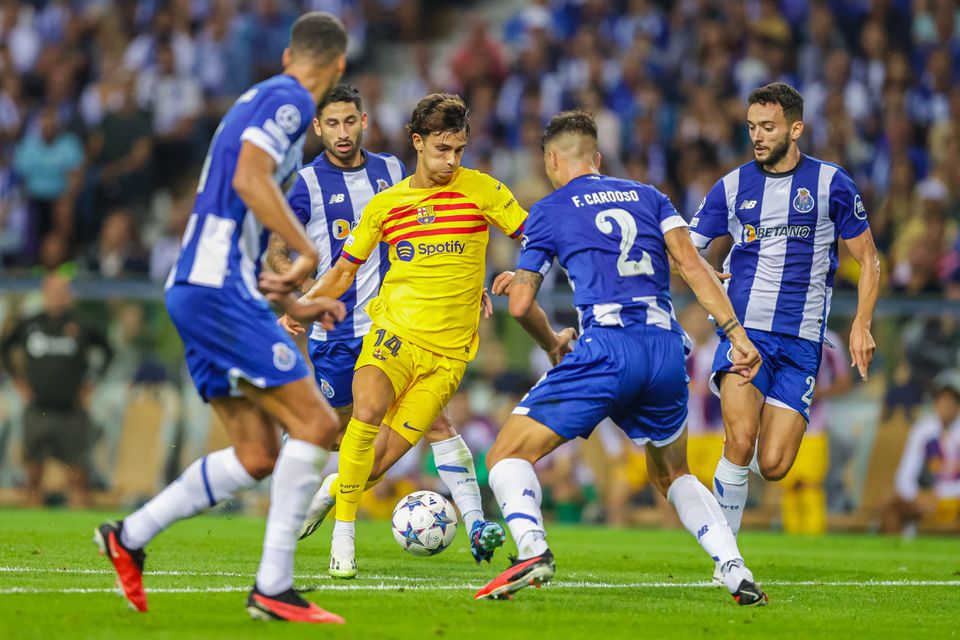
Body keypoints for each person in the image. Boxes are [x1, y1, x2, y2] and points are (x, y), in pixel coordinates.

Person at [93, 12, 351, 624]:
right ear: (336, 66)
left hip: (202, 285)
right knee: (317, 423)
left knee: (258, 453)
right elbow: (248, 177)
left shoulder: (261, 101)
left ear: (290, 53)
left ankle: (129, 536)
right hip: (212, 288)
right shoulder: (288, 98)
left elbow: (254, 234)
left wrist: (298, 302)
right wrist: (311, 251)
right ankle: (274, 586)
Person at [476, 110, 767, 606]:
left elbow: (522, 305)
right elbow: (695, 267)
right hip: (664, 348)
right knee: (673, 473)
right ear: (598, 157)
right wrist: (735, 334)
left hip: (607, 348)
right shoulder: (650, 196)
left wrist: (548, 338)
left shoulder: (549, 209)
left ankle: (532, 550)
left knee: (506, 455)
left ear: (551, 159)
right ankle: (735, 568)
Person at [278, 93, 526, 579]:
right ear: (418, 142)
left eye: (459, 150)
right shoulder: (385, 204)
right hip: (389, 333)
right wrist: (303, 310)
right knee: (364, 413)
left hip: (448, 357)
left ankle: (333, 492)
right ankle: (344, 542)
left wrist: (523, 274)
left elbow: (537, 234)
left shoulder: (484, 191)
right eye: (441, 149)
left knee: (374, 464)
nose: (451, 161)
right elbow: (343, 272)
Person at [688, 83, 880, 562]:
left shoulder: (831, 183)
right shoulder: (731, 187)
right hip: (744, 334)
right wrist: (698, 264)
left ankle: (730, 496)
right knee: (740, 438)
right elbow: (686, 246)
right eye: (752, 127)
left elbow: (870, 258)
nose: (757, 136)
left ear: (795, 129)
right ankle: (726, 561)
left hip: (800, 343)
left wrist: (862, 323)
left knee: (772, 464)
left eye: (768, 127)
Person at [1, 273, 111, 509]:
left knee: (79, 474)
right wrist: (18, 382)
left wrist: (91, 384)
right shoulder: (29, 324)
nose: (57, 297)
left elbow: (109, 351)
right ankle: (31, 526)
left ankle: (81, 526)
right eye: (53, 292)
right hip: (38, 409)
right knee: (33, 472)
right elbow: (5, 348)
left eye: (62, 292)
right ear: (44, 294)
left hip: (71, 411)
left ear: (69, 295)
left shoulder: (81, 324)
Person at [780, 328, 851, 534]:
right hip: (785, 423)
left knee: (810, 485)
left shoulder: (830, 340)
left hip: (816, 426)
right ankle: (791, 542)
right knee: (789, 485)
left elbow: (844, 382)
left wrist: (815, 394)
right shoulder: (787, 332)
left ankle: (813, 537)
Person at [883, 370, 960, 535]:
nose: (946, 405)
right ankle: (897, 551)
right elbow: (905, 475)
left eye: (951, 400)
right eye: (942, 399)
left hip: (955, 499)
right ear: (935, 402)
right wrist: (917, 497)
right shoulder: (923, 431)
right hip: (927, 497)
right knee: (889, 500)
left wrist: (945, 495)